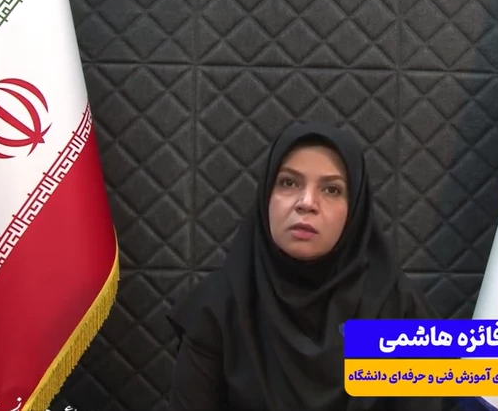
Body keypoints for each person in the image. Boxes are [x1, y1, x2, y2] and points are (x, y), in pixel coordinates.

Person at [166, 122, 445, 411]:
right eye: (289, 183)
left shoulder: (400, 309)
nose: (307, 203)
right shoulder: (219, 305)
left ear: (355, 210)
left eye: (332, 189)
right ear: (266, 195)